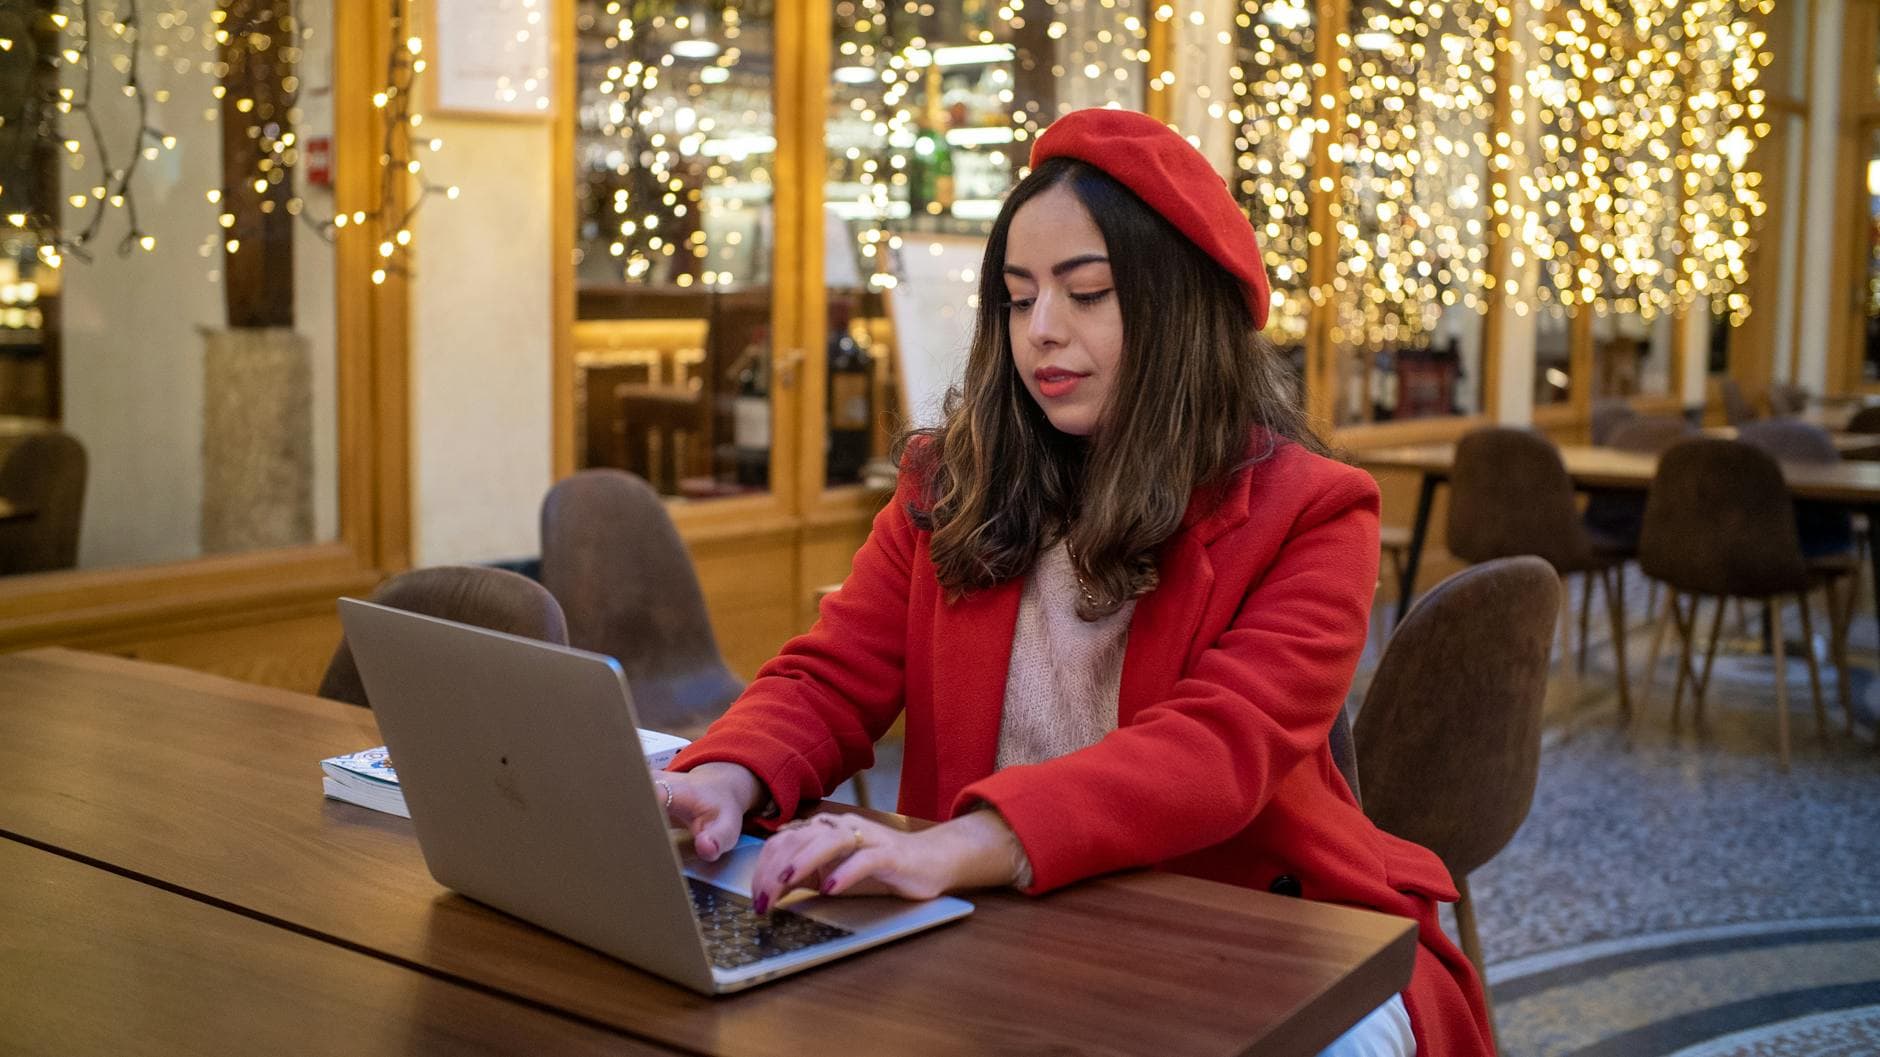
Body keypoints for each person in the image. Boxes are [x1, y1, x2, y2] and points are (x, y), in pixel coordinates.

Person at [657, 107, 1494, 1056]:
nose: (1041, 332)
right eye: (1018, 298)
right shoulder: (953, 480)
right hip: (1004, 923)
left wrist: (956, 846)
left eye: (1085, 292)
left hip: (1258, 930)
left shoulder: (1311, 510)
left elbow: (1212, 751)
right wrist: (726, 773)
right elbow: (830, 674)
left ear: (1177, 307)